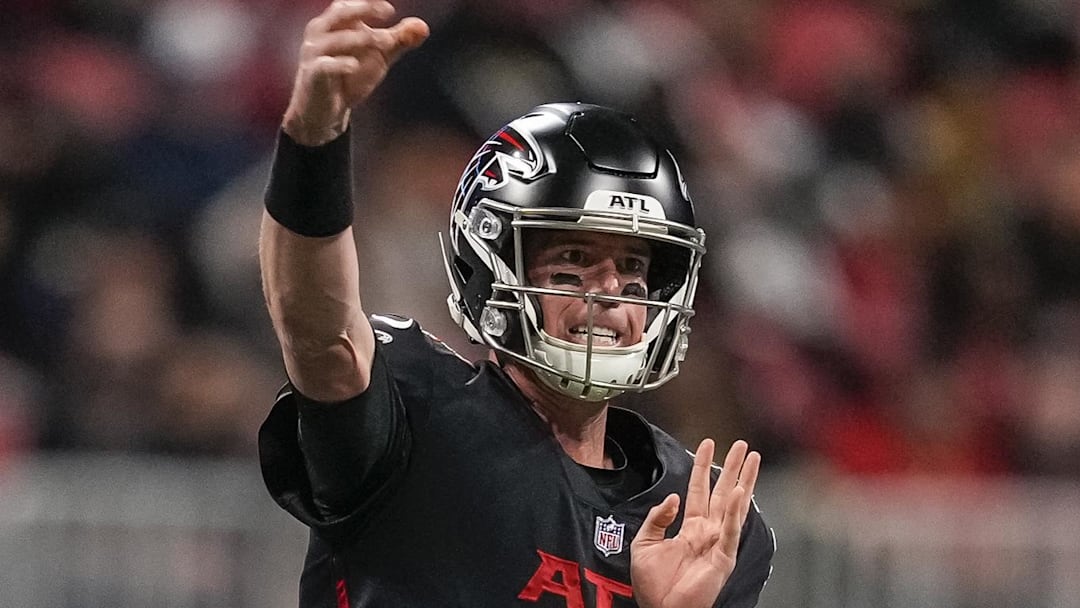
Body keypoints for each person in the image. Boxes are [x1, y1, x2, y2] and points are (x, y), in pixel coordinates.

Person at [256, 2, 775, 607]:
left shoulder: (704, 516)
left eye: (633, 270)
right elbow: (316, 325)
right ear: (492, 268)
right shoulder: (417, 413)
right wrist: (314, 139)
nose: (609, 295)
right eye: (573, 264)